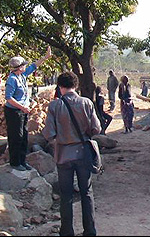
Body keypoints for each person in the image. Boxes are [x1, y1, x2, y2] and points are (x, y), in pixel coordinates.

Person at [42, 71, 101, 237]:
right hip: (83, 154)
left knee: (66, 195)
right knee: (86, 193)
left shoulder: (54, 105)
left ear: (60, 86)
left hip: (63, 155)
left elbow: (48, 134)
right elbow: (96, 128)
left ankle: (66, 231)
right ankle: (90, 231)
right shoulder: (87, 103)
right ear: (76, 86)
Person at [4, 46, 52, 171]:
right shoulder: (12, 80)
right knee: (16, 137)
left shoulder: (22, 75)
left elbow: (34, 66)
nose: (26, 66)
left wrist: (45, 57)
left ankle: (22, 160)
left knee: (24, 136)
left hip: (22, 111)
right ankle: (15, 162)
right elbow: (9, 98)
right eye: (23, 65)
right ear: (19, 67)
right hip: (14, 111)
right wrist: (22, 107)